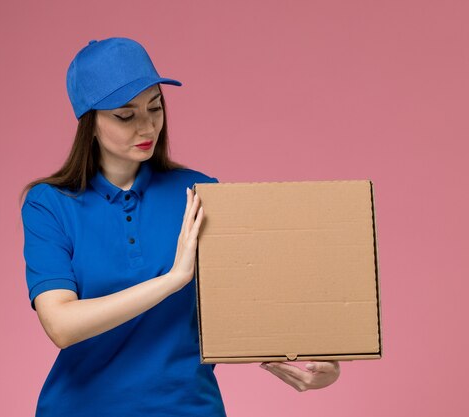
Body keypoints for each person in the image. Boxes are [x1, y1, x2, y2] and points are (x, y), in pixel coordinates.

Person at [19, 37, 340, 417]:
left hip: (187, 408)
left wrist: (322, 356)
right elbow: (61, 324)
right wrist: (173, 279)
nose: (147, 126)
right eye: (126, 115)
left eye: (155, 107)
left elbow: (252, 302)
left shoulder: (199, 194)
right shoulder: (49, 204)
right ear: (89, 123)